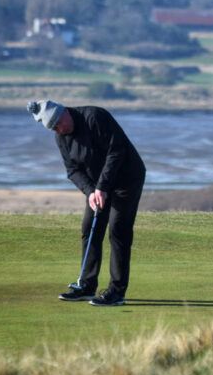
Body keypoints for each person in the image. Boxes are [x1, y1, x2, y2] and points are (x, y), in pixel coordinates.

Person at [27, 99, 146, 306]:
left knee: (118, 230)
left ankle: (116, 292)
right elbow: (72, 171)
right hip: (98, 187)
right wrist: (91, 192)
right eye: (54, 128)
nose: (60, 129)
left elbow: (116, 151)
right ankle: (87, 286)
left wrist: (102, 186)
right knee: (90, 228)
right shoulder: (61, 138)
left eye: (60, 123)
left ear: (64, 111)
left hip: (126, 178)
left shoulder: (95, 117)